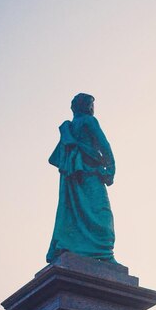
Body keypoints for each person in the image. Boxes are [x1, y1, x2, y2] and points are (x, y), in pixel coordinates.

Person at [46, 93, 117, 263]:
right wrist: (111, 167)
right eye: (92, 104)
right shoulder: (89, 121)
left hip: (75, 178)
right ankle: (105, 253)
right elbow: (103, 144)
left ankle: (71, 247)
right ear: (85, 106)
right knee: (103, 214)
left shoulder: (68, 128)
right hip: (90, 175)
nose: (93, 108)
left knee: (72, 213)